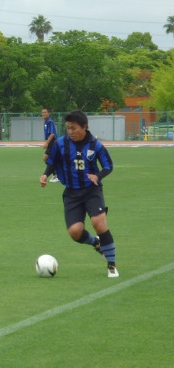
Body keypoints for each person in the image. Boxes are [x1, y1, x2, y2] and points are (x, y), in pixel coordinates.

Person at [40, 110, 118, 278]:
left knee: (99, 223)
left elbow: (108, 165)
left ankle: (111, 265)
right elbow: (52, 161)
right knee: (75, 232)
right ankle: (96, 243)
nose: (70, 132)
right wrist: (46, 174)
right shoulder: (61, 143)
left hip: (92, 191)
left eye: (74, 128)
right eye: (68, 128)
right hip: (71, 193)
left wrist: (97, 176)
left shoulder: (95, 145)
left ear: (84, 127)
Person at [41, 108, 59, 182]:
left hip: (53, 142)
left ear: (49, 113)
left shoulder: (50, 122)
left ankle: (56, 175)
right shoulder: (46, 122)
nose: (44, 114)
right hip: (51, 142)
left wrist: (47, 143)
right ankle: (56, 174)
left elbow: (52, 134)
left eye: (45, 112)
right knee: (47, 159)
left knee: (47, 158)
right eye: (42, 112)